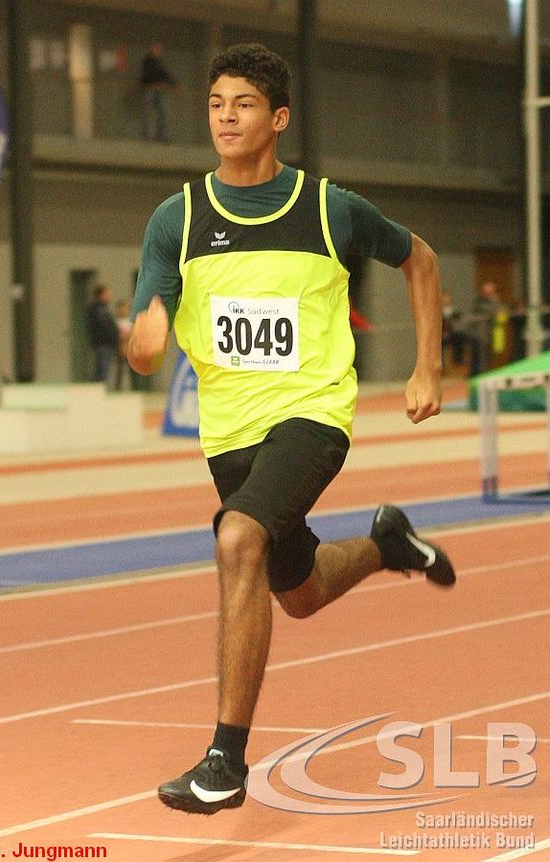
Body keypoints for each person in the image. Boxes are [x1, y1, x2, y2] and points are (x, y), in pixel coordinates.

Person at [127, 42, 456, 816]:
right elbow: (146, 340)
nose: (225, 118)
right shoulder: (176, 219)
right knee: (298, 592)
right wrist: (145, 340)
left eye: (242, 105)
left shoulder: (328, 208)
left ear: (277, 119)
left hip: (312, 414)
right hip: (229, 434)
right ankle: (387, 545)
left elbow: (420, 259)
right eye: (215, 104)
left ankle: (224, 760)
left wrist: (427, 368)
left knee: (237, 538)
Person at [140, 42, 178, 142]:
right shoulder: (148, 61)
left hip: (159, 90)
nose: (158, 52)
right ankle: (149, 136)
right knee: (149, 114)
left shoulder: (159, 62)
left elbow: (164, 73)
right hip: (150, 89)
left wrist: (173, 84)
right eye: (157, 49)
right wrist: (153, 83)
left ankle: (163, 136)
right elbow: (147, 75)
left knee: (163, 113)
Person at [85, 284, 119, 384]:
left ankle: (98, 385)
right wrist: (112, 338)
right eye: (106, 294)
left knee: (102, 367)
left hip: (105, 343)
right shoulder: (98, 310)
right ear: (101, 295)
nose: (108, 296)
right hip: (103, 343)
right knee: (102, 368)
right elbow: (105, 327)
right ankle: (98, 386)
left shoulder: (102, 309)